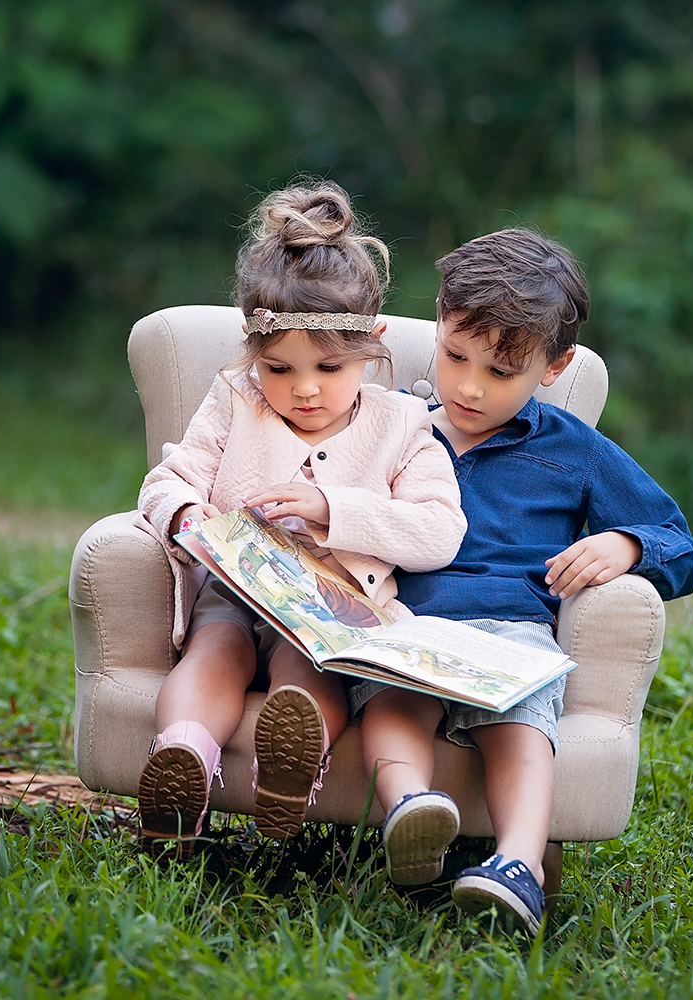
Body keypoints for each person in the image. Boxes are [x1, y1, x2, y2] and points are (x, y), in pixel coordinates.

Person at [350, 228, 693, 934]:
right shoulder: (395, 426)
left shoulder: (572, 449)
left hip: (509, 634)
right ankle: (411, 814)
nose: (469, 386)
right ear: (440, 327)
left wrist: (627, 543)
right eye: (455, 356)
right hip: (404, 629)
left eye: (500, 372)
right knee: (389, 704)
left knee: (521, 727)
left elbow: (678, 541)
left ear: (553, 365)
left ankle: (518, 864)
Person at [135, 182, 466, 859]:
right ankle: (183, 760)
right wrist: (188, 514)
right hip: (236, 590)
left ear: (372, 345)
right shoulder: (237, 399)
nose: (304, 388)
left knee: (307, 671)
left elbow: (440, 530)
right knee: (214, 652)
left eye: (328, 367)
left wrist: (334, 509)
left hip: (329, 616)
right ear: (252, 351)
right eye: (279, 367)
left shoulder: (402, 424)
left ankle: (291, 764)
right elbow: (167, 480)